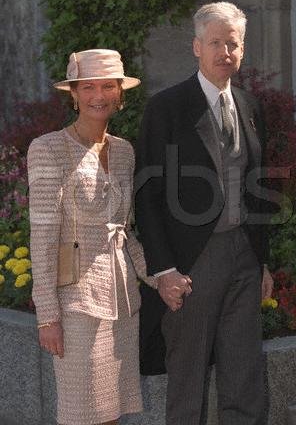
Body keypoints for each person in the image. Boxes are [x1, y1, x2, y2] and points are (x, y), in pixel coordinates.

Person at [135, 2, 274, 424]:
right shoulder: (167, 108)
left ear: (243, 50)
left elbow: (260, 189)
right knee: (188, 378)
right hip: (192, 263)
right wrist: (163, 270)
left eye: (233, 44)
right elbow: (148, 195)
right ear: (197, 47)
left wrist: (264, 262)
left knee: (244, 373)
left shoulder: (251, 108)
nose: (224, 51)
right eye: (216, 42)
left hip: (244, 258)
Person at [27, 49, 155, 425]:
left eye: (107, 86)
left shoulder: (125, 152)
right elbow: (43, 234)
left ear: (120, 93)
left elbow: (126, 232)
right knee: (82, 413)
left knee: (111, 412)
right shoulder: (48, 149)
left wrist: (158, 276)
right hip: (76, 304)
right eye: (88, 87)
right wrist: (47, 315)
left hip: (122, 301)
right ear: (74, 94)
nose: (98, 95)